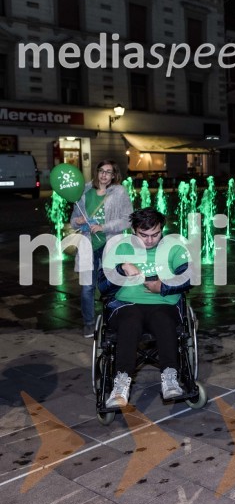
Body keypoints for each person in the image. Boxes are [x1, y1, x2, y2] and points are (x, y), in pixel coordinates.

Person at [97, 208, 191, 408]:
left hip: (163, 304)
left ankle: (170, 376)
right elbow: (102, 286)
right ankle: (121, 383)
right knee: (130, 321)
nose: (149, 240)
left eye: (155, 234)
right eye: (143, 235)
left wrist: (162, 287)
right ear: (133, 230)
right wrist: (120, 269)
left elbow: (190, 277)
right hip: (126, 305)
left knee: (163, 319)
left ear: (162, 229)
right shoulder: (120, 248)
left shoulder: (174, 247)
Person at [70, 160, 133, 338]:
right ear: (97, 172)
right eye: (101, 171)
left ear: (114, 175)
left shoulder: (119, 192)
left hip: (109, 244)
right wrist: (78, 221)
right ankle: (89, 323)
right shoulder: (84, 191)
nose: (104, 175)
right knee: (87, 288)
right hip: (87, 245)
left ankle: (113, 320)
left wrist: (103, 226)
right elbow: (73, 219)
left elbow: (127, 219)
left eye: (109, 172)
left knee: (111, 285)